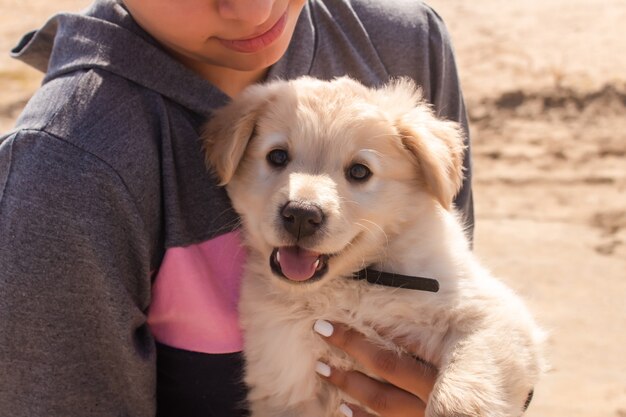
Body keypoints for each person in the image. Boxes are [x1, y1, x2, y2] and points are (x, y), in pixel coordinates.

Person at [0, 0, 473, 416]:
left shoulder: (402, 41)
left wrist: (476, 388)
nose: (252, 9)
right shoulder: (66, 168)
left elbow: (464, 309)